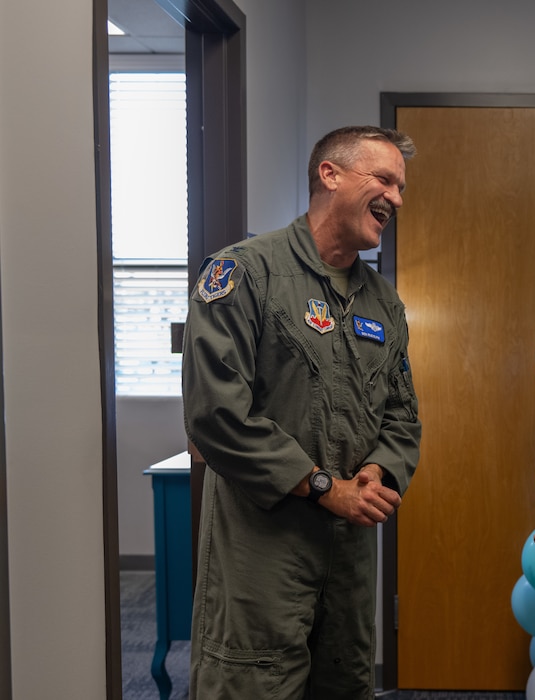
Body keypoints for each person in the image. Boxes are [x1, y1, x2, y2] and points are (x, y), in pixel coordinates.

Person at [182, 125, 422, 699]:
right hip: (262, 546)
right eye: (384, 179)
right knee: (252, 682)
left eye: (401, 187)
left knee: (343, 680)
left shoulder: (382, 299)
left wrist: (378, 473)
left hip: (349, 551)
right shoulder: (245, 273)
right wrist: (321, 486)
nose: (396, 197)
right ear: (330, 175)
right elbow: (216, 414)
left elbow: (402, 412)